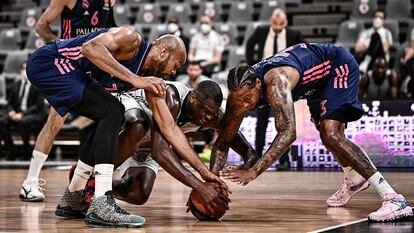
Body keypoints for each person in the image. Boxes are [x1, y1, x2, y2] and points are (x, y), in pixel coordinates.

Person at [212, 43, 413, 222]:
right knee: (327, 136)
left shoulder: (276, 82)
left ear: (258, 84)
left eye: (248, 98)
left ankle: (393, 199)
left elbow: (288, 133)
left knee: (331, 134)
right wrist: (210, 182)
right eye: (240, 100)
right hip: (314, 84)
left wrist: (254, 170)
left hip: (336, 65)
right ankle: (354, 180)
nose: (245, 105)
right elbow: (223, 140)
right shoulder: (239, 94)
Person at [27, 27, 187, 227]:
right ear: (163, 52)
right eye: (176, 64)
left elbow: (168, 127)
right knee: (113, 111)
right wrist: (135, 79)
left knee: (110, 115)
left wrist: (204, 174)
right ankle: (102, 201)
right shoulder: (131, 39)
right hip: (49, 63)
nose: (174, 71)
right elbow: (90, 48)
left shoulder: (148, 77)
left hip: (70, 73)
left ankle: (73, 196)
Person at [74, 81, 255, 210]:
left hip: (148, 142)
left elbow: (239, 142)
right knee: (139, 125)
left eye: (212, 113)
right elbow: (160, 152)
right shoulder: (171, 96)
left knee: (138, 194)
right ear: (193, 98)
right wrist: (199, 186)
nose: (208, 117)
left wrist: (249, 161)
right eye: (205, 111)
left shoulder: (211, 116)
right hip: (128, 115)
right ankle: (92, 177)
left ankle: (98, 183)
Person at [20, 0, 118, 202]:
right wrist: (60, 45)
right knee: (55, 120)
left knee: (111, 112)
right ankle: (30, 182)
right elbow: (41, 26)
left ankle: (90, 182)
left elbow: (111, 29)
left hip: (94, 61)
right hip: (68, 63)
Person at [245, 8, 304, 169]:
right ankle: (256, 155)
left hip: (285, 81)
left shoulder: (293, 34)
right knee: (261, 121)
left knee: (285, 121)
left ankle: (284, 160)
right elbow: (249, 46)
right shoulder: (261, 31)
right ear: (271, 22)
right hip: (264, 82)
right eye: (276, 23)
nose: (278, 26)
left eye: (282, 23)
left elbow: (303, 50)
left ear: (286, 23)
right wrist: (253, 66)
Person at [0, 62, 45, 160]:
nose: (24, 71)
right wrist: (11, 111)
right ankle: (11, 152)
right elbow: (9, 103)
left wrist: (22, 114)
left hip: (34, 114)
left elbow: (38, 106)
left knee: (23, 122)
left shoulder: (38, 85)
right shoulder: (16, 84)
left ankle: (27, 153)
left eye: (27, 69)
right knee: (2, 122)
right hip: (17, 114)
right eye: (23, 69)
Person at [355, 9, 393, 73]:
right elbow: (357, 48)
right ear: (372, 18)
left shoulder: (387, 33)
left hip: (380, 59)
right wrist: (372, 47)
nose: (378, 19)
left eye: (380, 17)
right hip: (365, 57)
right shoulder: (365, 32)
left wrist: (366, 46)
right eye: (376, 17)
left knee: (376, 36)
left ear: (383, 20)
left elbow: (385, 49)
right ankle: (366, 61)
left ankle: (366, 62)